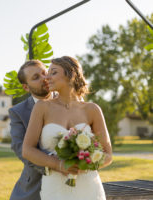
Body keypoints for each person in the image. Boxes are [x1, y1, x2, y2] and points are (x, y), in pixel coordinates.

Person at [22, 56, 113, 200]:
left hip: (89, 187)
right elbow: (27, 150)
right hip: (54, 188)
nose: (47, 77)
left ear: (71, 74)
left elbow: (108, 155)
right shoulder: (42, 107)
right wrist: (58, 164)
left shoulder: (92, 109)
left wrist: (86, 164)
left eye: (53, 72)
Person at [9, 60, 78, 200]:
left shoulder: (72, 102)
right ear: (26, 87)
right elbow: (20, 148)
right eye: (36, 78)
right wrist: (56, 163)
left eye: (44, 73)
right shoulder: (17, 112)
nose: (44, 78)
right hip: (35, 187)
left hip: (75, 181)